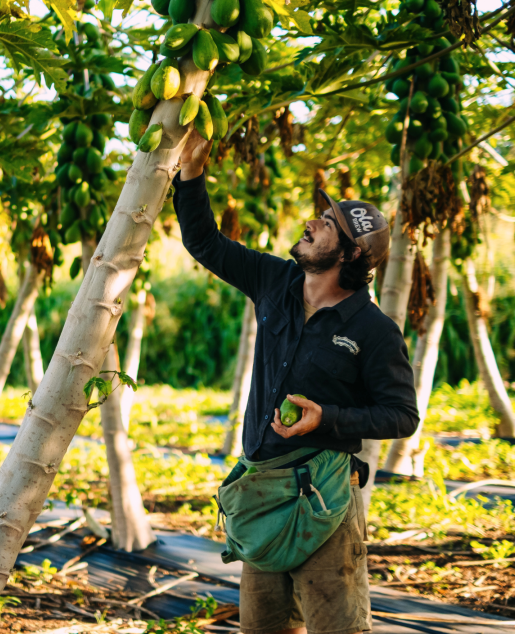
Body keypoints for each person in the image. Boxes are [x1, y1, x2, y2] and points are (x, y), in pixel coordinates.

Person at [173, 132, 419, 634]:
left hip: (323, 499)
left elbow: (401, 415)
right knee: (263, 628)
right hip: (263, 492)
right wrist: (192, 173)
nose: (313, 222)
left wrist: (326, 417)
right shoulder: (276, 282)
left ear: (351, 256)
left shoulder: (372, 330)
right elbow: (204, 242)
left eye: (328, 224)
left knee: (336, 628)